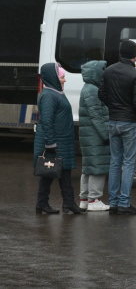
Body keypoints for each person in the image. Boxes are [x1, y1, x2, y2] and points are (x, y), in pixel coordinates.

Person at [99, 39, 136, 215]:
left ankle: (113, 203)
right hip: (129, 123)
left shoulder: (108, 71)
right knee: (129, 163)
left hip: (113, 121)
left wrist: (113, 106)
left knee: (114, 162)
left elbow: (101, 94)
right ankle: (124, 203)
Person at [34, 63, 85, 215]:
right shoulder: (49, 95)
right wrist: (50, 144)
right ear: (53, 77)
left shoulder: (55, 92)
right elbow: (47, 121)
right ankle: (44, 203)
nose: (64, 80)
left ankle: (66, 203)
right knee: (49, 173)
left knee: (62, 173)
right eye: (62, 77)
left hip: (62, 141)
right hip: (55, 142)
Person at [78, 60, 111, 212]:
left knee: (88, 168)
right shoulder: (92, 90)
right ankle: (94, 200)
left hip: (89, 134)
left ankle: (84, 200)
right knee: (98, 167)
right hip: (95, 135)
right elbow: (96, 115)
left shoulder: (88, 87)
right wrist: (106, 134)